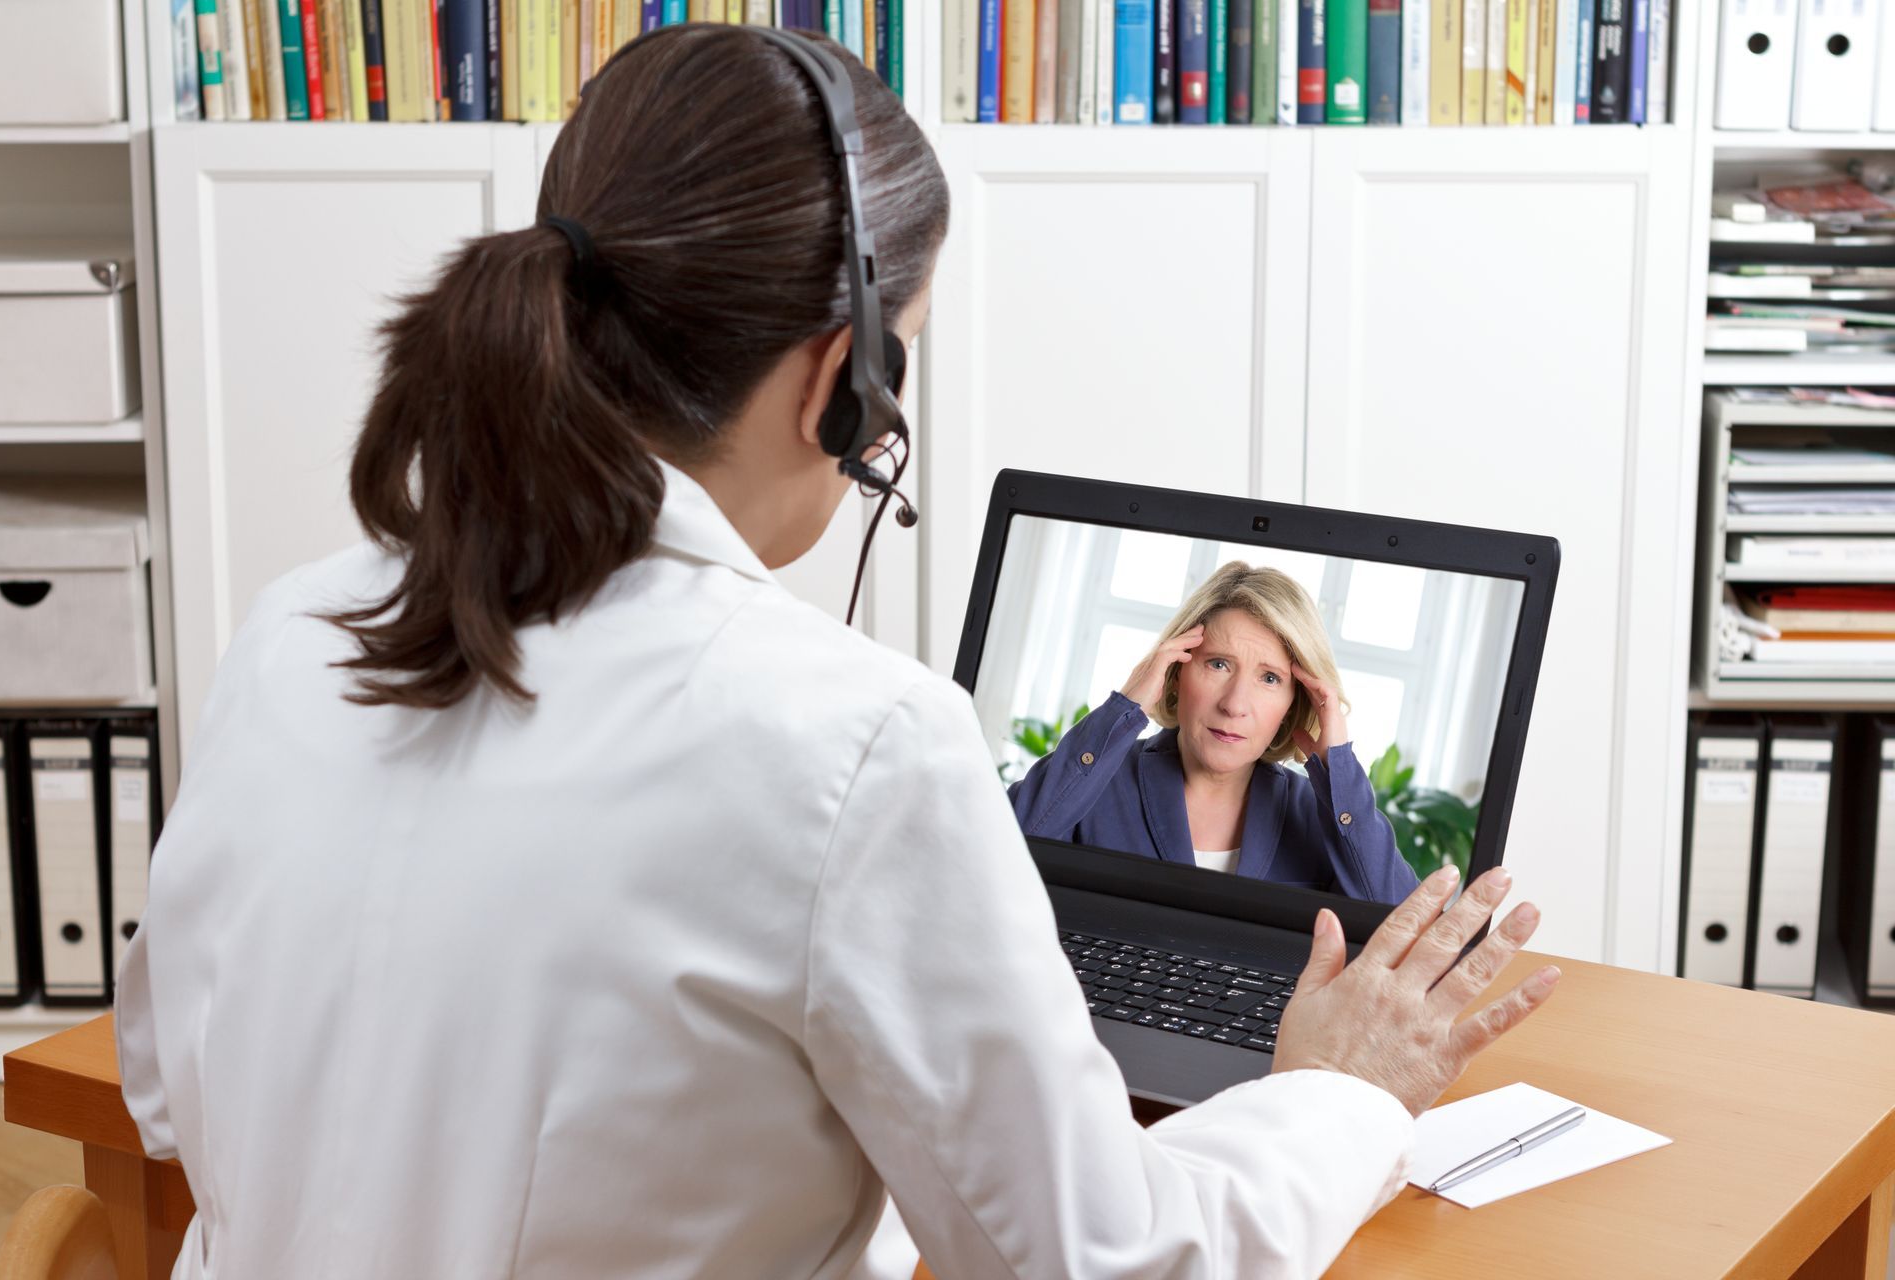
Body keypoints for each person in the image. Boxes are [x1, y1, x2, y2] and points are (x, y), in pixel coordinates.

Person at [114, 24, 1558, 1280]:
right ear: (839, 377)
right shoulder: (854, 744)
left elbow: (166, 1099)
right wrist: (1345, 1092)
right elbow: (1111, 1264)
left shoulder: (299, 627)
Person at [1008, 561, 1422, 905]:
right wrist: (1123, 709)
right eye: (1218, 664)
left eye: (1270, 678)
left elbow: (1404, 933)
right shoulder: (1099, 783)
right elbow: (996, 858)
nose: (1235, 704)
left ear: (1296, 703)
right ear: (1174, 672)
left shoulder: (1320, 815)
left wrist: (1339, 771)